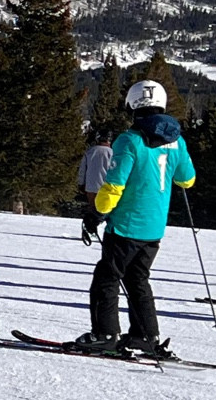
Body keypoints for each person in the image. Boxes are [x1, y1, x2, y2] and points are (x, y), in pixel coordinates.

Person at [75, 79, 196, 361]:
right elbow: (187, 180)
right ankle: (145, 335)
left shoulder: (129, 139)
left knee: (106, 278)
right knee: (138, 279)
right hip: (154, 229)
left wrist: (96, 214)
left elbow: (114, 185)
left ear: (132, 105)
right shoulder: (176, 140)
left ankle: (104, 335)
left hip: (126, 225)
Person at [77, 132, 115, 245]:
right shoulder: (113, 153)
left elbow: (82, 169)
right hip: (107, 186)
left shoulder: (90, 151)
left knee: (92, 209)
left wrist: (81, 183)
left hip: (91, 185)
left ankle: (90, 230)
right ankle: (111, 234)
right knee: (109, 210)